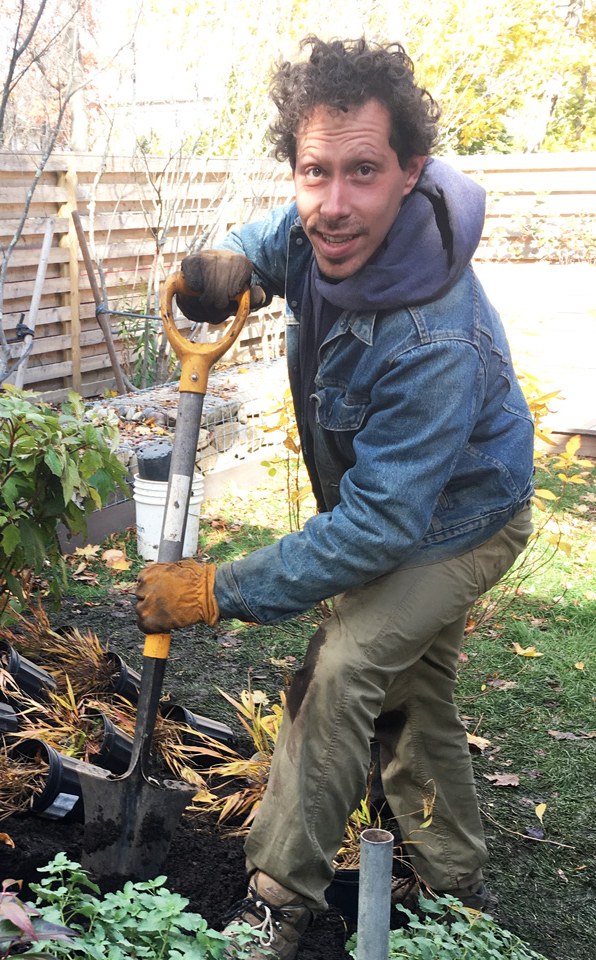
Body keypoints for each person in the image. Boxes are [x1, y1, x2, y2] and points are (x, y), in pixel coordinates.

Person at [135, 36, 535, 960]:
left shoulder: (435, 336)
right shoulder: (320, 228)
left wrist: (213, 590)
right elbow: (273, 238)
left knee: (344, 666)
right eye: (316, 172)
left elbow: (381, 528)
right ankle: (451, 873)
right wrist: (224, 259)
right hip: (402, 508)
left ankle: (279, 898)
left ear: (410, 175)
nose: (335, 203)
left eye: (364, 172)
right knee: (412, 686)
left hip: (462, 523)